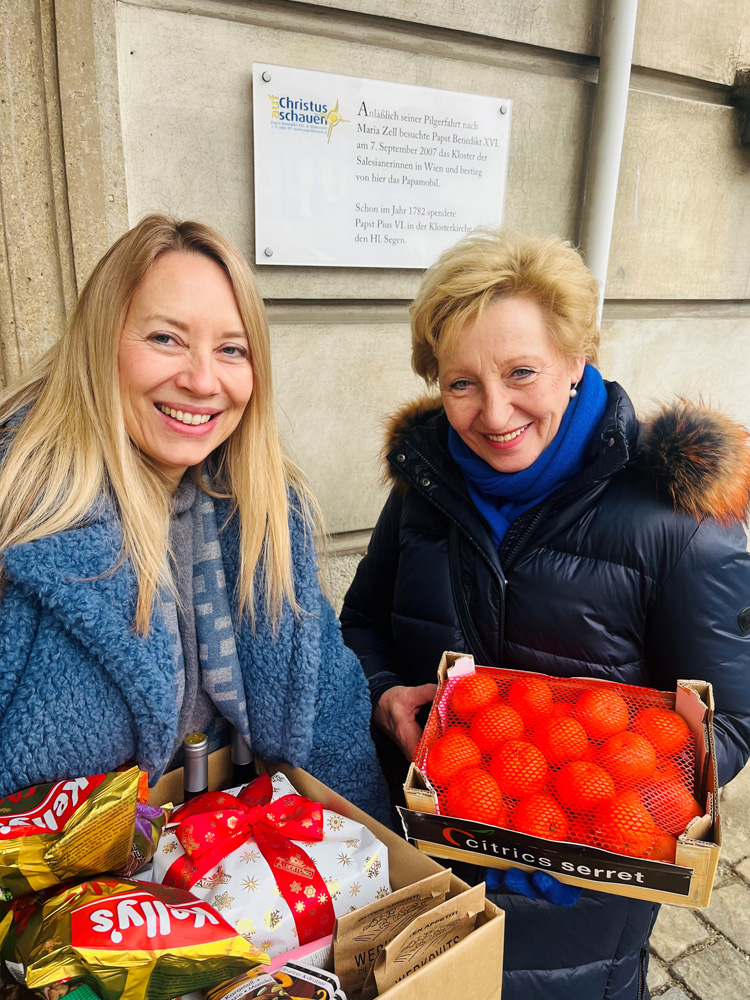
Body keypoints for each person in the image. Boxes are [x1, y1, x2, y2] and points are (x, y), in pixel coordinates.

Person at [340, 229, 750, 999]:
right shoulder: (424, 491)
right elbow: (362, 624)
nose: (494, 412)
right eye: (462, 383)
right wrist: (383, 694)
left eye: (521, 371)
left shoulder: (678, 518)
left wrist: (601, 815)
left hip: (582, 906)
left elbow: (730, 718)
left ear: (576, 360)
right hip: (428, 863)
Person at [0, 213, 388, 823]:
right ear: (100, 342)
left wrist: (380, 861)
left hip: (237, 856)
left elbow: (329, 713)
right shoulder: (20, 506)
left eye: (231, 349)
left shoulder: (266, 509)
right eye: (166, 339)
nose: (203, 380)